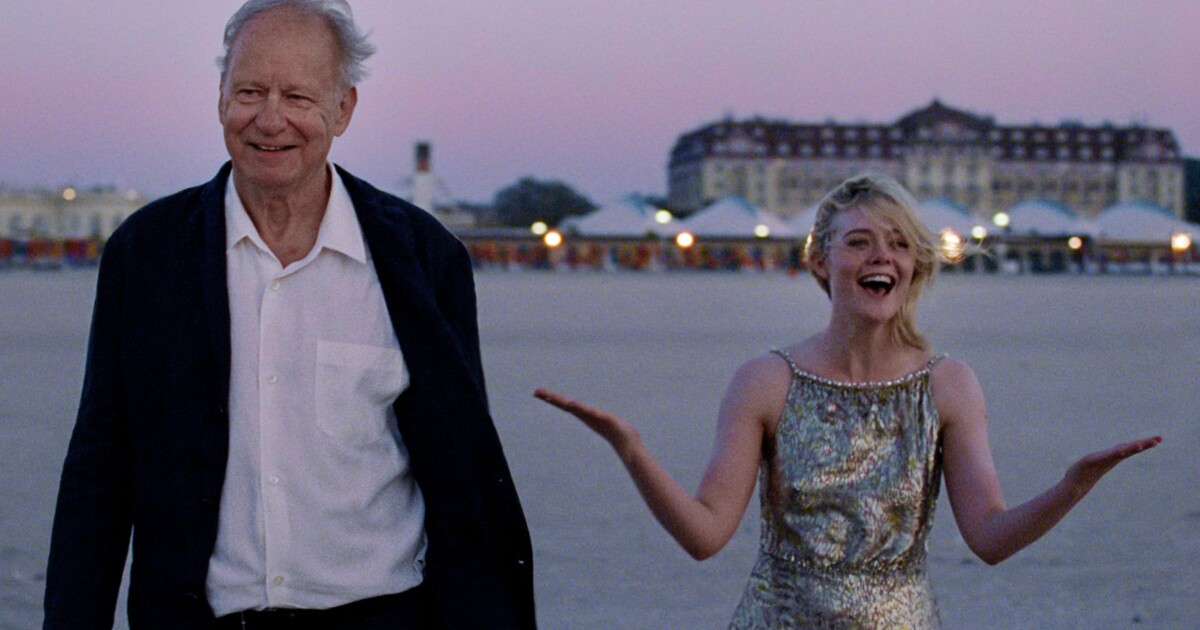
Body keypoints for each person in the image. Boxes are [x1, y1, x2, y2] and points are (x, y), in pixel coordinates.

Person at [44, 1, 534, 628]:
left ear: (343, 109)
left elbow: (463, 475)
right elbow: (99, 470)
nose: (270, 120)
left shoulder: (424, 258)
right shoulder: (146, 254)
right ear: (221, 98)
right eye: (250, 91)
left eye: (298, 97)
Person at [535, 172, 1161, 628]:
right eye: (859, 241)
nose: (881, 254)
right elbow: (705, 535)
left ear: (915, 265)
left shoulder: (948, 385)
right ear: (819, 260)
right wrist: (632, 451)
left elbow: (990, 539)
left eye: (899, 242)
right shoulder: (765, 381)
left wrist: (1073, 486)